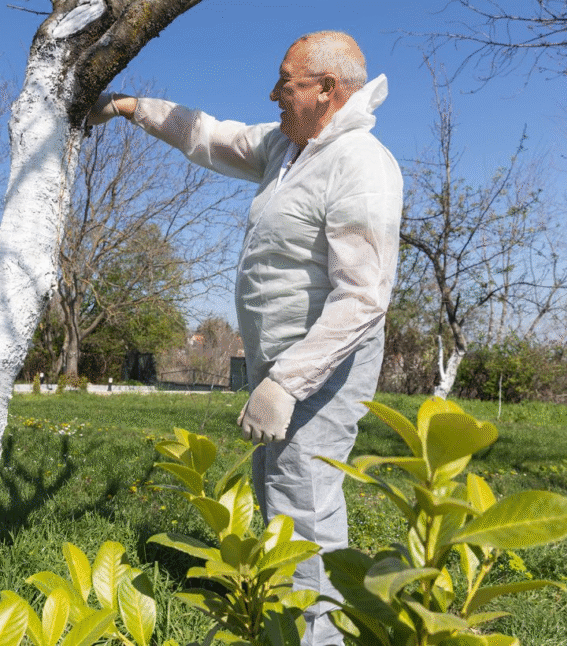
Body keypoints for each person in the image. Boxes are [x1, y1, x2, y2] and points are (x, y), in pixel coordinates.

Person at [89, 31, 402, 645]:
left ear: (328, 92)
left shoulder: (359, 163)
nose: (274, 94)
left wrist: (287, 382)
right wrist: (128, 107)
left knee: (302, 501)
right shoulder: (289, 149)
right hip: (279, 363)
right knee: (278, 494)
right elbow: (207, 134)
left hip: (319, 367)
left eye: (286, 84)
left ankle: (319, 638)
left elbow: (364, 294)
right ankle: (287, 624)